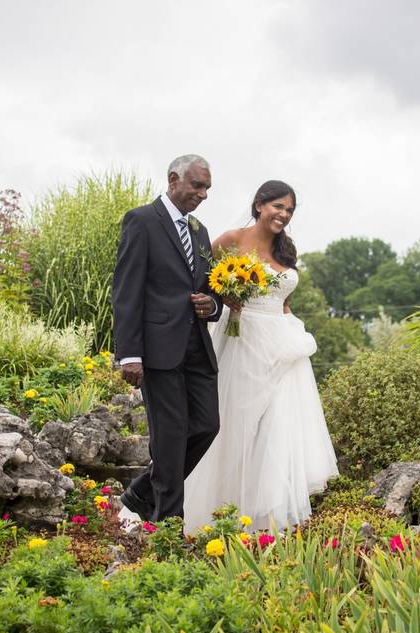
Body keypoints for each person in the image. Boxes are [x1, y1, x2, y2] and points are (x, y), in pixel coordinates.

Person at [182, 180, 338, 533]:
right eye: (278, 206)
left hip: (283, 345)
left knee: (278, 427)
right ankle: (220, 512)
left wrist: (285, 319)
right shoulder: (232, 240)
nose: (283, 214)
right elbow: (202, 284)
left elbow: (283, 298)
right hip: (242, 340)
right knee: (237, 423)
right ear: (259, 205)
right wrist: (225, 299)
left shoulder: (286, 249)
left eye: (289, 209)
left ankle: (268, 519)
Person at [112, 154, 223, 522]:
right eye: (197, 185)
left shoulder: (200, 231)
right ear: (173, 179)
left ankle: (140, 494)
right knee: (171, 438)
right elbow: (126, 290)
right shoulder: (142, 221)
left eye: (207, 187)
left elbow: (208, 289)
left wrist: (214, 304)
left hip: (197, 348)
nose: (204, 194)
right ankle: (169, 528)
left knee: (207, 426)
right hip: (158, 351)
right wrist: (129, 354)